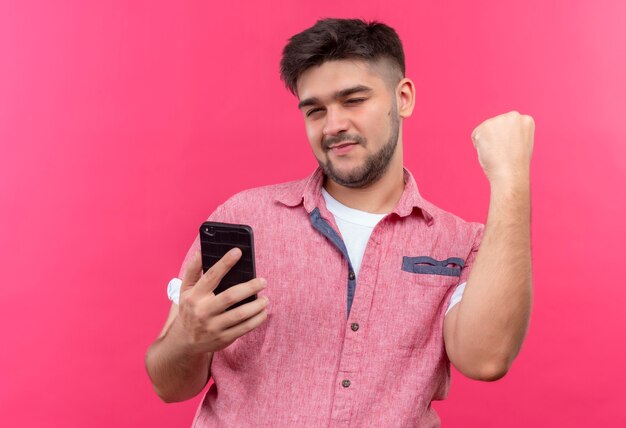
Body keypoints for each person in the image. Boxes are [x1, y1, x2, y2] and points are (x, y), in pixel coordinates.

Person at [145, 18, 534, 427]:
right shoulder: (244, 219)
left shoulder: (459, 243)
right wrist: (188, 339)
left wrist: (510, 179)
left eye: (353, 100)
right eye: (315, 110)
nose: (333, 126)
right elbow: (168, 385)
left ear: (402, 98)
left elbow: (485, 358)